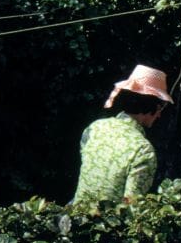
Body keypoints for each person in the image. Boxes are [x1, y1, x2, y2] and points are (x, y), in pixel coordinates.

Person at [71, 64, 173, 204]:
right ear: (153, 106)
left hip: (77, 214)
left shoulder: (95, 127)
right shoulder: (143, 150)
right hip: (106, 223)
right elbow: (131, 205)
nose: (160, 115)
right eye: (161, 107)